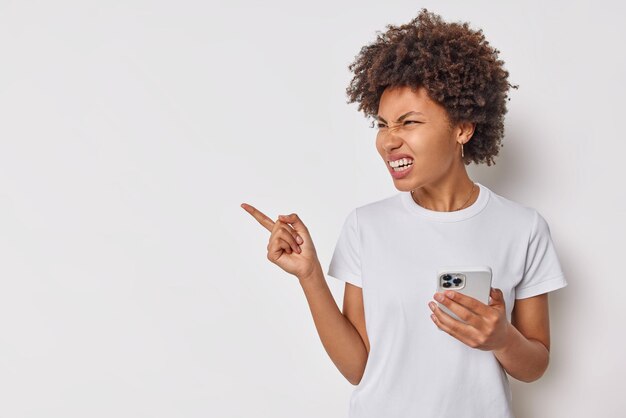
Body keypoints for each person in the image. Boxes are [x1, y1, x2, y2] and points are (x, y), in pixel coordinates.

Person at [242, 8, 567, 418]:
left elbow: (535, 366)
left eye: (408, 122)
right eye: (383, 124)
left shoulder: (523, 228)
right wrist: (310, 276)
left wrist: (502, 338)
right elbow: (359, 368)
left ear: (462, 127)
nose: (388, 141)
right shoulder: (366, 226)